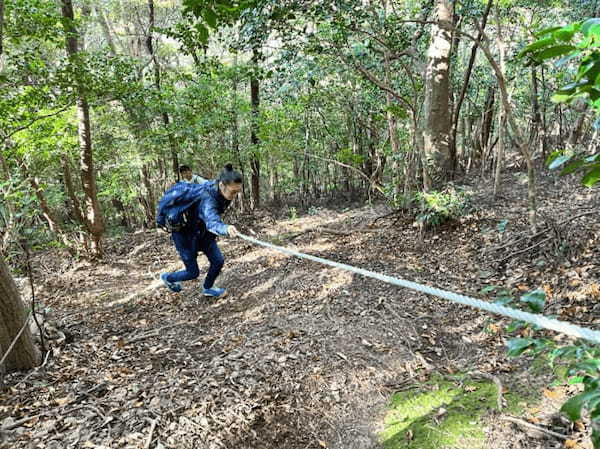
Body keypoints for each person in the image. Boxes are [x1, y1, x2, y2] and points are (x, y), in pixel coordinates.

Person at [160, 164, 241, 298]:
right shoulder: (208, 199)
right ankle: (168, 278)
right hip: (185, 236)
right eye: (233, 192)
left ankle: (208, 288)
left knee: (218, 261)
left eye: (237, 192)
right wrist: (225, 228)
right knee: (192, 273)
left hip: (203, 233)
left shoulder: (218, 189)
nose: (235, 195)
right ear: (221, 185)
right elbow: (212, 221)